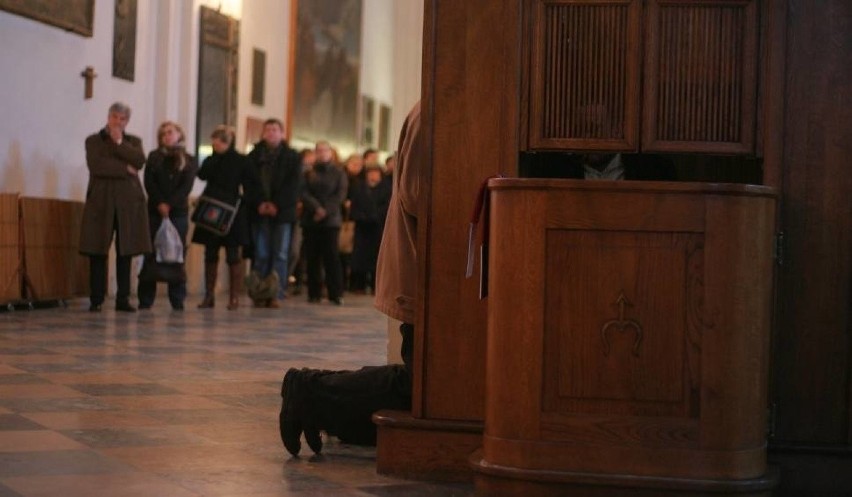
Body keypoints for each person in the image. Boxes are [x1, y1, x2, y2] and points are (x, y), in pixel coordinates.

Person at [280, 101, 422, 456]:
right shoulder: (435, 109)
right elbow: (420, 194)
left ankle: (315, 397)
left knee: (425, 384)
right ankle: (309, 391)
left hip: (437, 271)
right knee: (420, 384)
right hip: (427, 269)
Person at [79, 102, 151, 313]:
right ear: (108, 117)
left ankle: (123, 298)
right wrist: (124, 169)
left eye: (122, 119)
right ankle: (96, 298)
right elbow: (96, 165)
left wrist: (119, 144)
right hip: (101, 201)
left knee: (125, 250)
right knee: (98, 249)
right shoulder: (94, 140)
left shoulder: (133, 141)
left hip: (128, 203)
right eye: (114, 117)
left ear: (127, 121)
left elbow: (139, 161)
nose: (117, 122)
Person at [192, 125, 255, 310]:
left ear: (226, 142)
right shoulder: (212, 159)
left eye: (217, 142)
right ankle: (209, 295)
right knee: (210, 253)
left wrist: (243, 201)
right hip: (212, 208)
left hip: (232, 211)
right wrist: (214, 157)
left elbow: (251, 184)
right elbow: (202, 175)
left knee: (232, 254)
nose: (215, 145)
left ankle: (233, 297)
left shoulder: (241, 160)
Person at [137, 121, 197, 311]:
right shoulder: (154, 157)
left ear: (179, 134)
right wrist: (160, 203)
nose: (167, 136)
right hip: (155, 211)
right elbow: (149, 182)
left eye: (171, 132)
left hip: (177, 212)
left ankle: (177, 299)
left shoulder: (188, 159)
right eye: (163, 134)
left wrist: (170, 204)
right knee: (151, 253)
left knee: (176, 254)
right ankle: (146, 299)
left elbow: (186, 186)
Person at [245, 118, 303, 308]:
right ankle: (259, 293)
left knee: (280, 254)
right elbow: (249, 184)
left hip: (283, 213)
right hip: (259, 211)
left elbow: (293, 186)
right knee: (261, 253)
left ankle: (277, 292)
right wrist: (260, 203)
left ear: (282, 133)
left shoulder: (292, 157)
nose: (271, 133)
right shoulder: (253, 156)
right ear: (263, 133)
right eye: (268, 129)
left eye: (275, 129)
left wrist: (276, 204)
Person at [300, 140, 348, 305]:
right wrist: (316, 208)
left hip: (331, 221)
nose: (322, 153)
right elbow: (303, 192)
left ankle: (335, 293)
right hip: (311, 219)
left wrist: (325, 210)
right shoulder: (308, 172)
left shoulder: (339, 172)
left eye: (325, 150)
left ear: (330, 152)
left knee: (332, 257)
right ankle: (314, 293)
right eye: (318, 150)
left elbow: (340, 195)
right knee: (312, 257)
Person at [347, 163, 391, 293]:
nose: (373, 175)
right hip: (362, 227)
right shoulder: (359, 187)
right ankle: (358, 285)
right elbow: (354, 205)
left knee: (376, 257)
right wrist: (362, 216)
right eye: (370, 173)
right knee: (360, 257)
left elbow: (386, 206)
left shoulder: (386, 189)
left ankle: (374, 285)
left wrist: (375, 216)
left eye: (376, 173)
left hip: (378, 228)